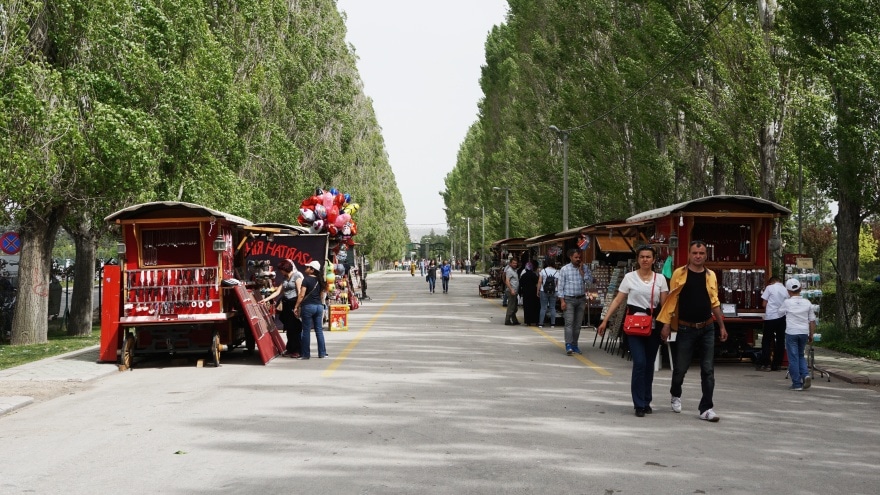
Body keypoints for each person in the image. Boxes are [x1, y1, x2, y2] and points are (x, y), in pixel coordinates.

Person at [658, 240, 728, 422]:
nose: (698, 256)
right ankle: (675, 394)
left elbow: (715, 302)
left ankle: (706, 408)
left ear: (706, 255)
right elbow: (671, 301)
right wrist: (666, 324)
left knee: (708, 370)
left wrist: (721, 325)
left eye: (702, 253)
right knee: (680, 368)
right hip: (685, 327)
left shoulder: (711, 275)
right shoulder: (679, 274)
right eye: (695, 253)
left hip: (707, 327)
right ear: (689, 255)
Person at [597, 246, 669, 417]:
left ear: (653, 259)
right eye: (642, 256)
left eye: (648, 257)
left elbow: (666, 306)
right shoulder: (629, 277)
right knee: (639, 363)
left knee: (649, 365)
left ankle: (646, 400)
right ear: (638, 259)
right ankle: (638, 404)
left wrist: (667, 325)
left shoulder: (660, 279)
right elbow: (617, 300)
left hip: (653, 326)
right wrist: (605, 320)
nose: (645, 259)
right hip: (634, 325)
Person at [779, 278, 817, 391]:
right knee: (800, 355)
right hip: (804, 332)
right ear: (800, 288)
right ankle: (805, 375)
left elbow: (779, 312)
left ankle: (796, 383)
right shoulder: (807, 302)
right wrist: (811, 334)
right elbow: (812, 320)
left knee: (793, 358)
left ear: (788, 291)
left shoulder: (787, 302)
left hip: (791, 332)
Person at [264, 260, 304, 358]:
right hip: (286, 304)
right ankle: (290, 348)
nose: (280, 272)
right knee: (289, 328)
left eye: (281, 270)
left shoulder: (297, 276)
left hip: (294, 303)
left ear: (285, 269)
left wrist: (297, 306)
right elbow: (278, 292)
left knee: (295, 328)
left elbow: (299, 292)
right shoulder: (285, 278)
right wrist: (265, 299)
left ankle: (297, 350)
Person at [557, 248, 592, 355]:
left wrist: (583, 273)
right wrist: (562, 301)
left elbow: (590, 283)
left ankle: (575, 344)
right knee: (569, 323)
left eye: (579, 257)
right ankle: (568, 344)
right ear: (571, 257)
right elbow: (560, 286)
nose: (578, 259)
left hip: (581, 299)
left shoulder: (584, 268)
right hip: (569, 299)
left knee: (577, 325)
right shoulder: (564, 269)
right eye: (576, 257)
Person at [294, 260, 328, 359]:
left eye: (308, 267)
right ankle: (322, 353)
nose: (306, 268)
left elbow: (301, 295)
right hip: (319, 306)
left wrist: (296, 306)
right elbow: (322, 295)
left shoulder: (306, 280)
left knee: (306, 331)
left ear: (312, 270)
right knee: (319, 330)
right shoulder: (320, 280)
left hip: (308, 307)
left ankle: (305, 354)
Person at [758, 276, 789, 371]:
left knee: (767, 340)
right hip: (782, 317)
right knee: (780, 340)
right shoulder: (785, 290)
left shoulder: (770, 288)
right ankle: (777, 364)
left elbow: (764, 304)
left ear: (771, 282)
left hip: (771, 317)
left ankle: (766, 364)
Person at [537, 259, 559, 328]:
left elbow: (540, 281)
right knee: (552, 307)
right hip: (554, 291)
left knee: (543, 308)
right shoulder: (557, 272)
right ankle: (553, 323)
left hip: (543, 290)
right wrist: (558, 292)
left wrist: (537, 290)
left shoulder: (543, 271)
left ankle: (541, 323)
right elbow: (558, 283)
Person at [503, 257, 520, 325]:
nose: (515, 264)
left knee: (514, 307)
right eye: (513, 263)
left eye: (516, 263)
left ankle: (514, 319)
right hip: (511, 291)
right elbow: (507, 281)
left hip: (515, 291)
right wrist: (511, 289)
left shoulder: (515, 270)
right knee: (511, 306)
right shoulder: (509, 271)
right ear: (510, 263)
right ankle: (507, 320)